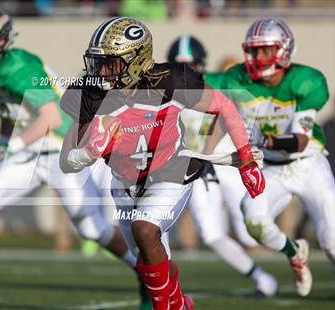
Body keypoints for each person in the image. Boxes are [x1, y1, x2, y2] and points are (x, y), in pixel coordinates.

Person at [0, 8, 149, 308]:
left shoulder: (20, 67)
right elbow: (8, 112)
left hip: (59, 148)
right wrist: (2, 144)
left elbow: (50, 118)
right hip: (29, 148)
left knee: (92, 230)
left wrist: (8, 149)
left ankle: (146, 274)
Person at [59, 16, 265, 309]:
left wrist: (246, 160)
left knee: (145, 230)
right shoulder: (89, 92)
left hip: (172, 170)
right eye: (98, 62)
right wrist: (87, 152)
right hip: (126, 183)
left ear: (136, 61)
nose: (101, 71)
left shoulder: (171, 80)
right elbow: (67, 161)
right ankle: (180, 303)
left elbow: (224, 106)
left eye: (111, 63)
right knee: (148, 258)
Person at [214, 17, 335, 297]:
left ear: (283, 50)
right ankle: (294, 252)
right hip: (272, 168)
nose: (258, 57)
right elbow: (202, 87)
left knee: (331, 243)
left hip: (308, 166)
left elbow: (300, 140)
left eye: (265, 50)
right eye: (254, 50)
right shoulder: (237, 78)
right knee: (253, 220)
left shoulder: (305, 80)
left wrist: (268, 139)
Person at [167, 34, 278, 297]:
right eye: (179, 64)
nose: (185, 71)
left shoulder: (215, 82)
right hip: (197, 170)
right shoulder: (166, 89)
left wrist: (205, 152)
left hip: (228, 162)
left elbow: (226, 115)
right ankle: (263, 279)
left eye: (190, 65)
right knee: (211, 234)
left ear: (201, 64)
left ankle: (297, 254)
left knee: (253, 228)